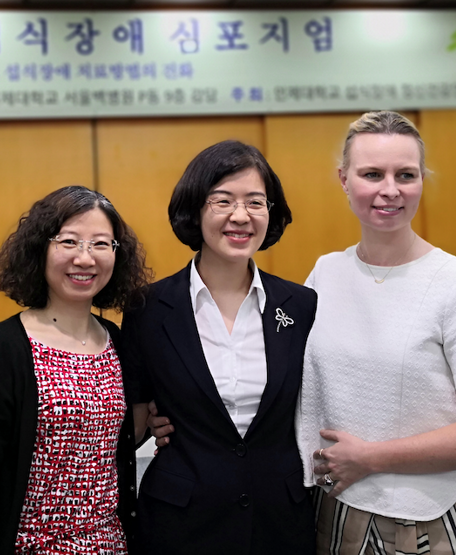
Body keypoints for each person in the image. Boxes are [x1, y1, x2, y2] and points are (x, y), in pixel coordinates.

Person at [296, 111, 456, 555]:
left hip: (431, 513)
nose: (390, 190)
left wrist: (371, 457)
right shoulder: (326, 273)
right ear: (344, 179)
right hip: (338, 505)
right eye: (372, 174)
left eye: (406, 175)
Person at [119, 140, 317, 555]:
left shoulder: (300, 305)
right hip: (181, 521)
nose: (240, 216)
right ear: (195, 209)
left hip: (279, 520)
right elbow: (131, 425)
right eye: (222, 201)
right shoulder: (148, 308)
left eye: (256, 202)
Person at [0, 186, 152, 555]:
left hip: (113, 545)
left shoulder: (117, 342)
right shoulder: (1, 348)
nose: (85, 258)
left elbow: (108, 441)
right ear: (41, 248)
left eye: (101, 245)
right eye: (69, 241)